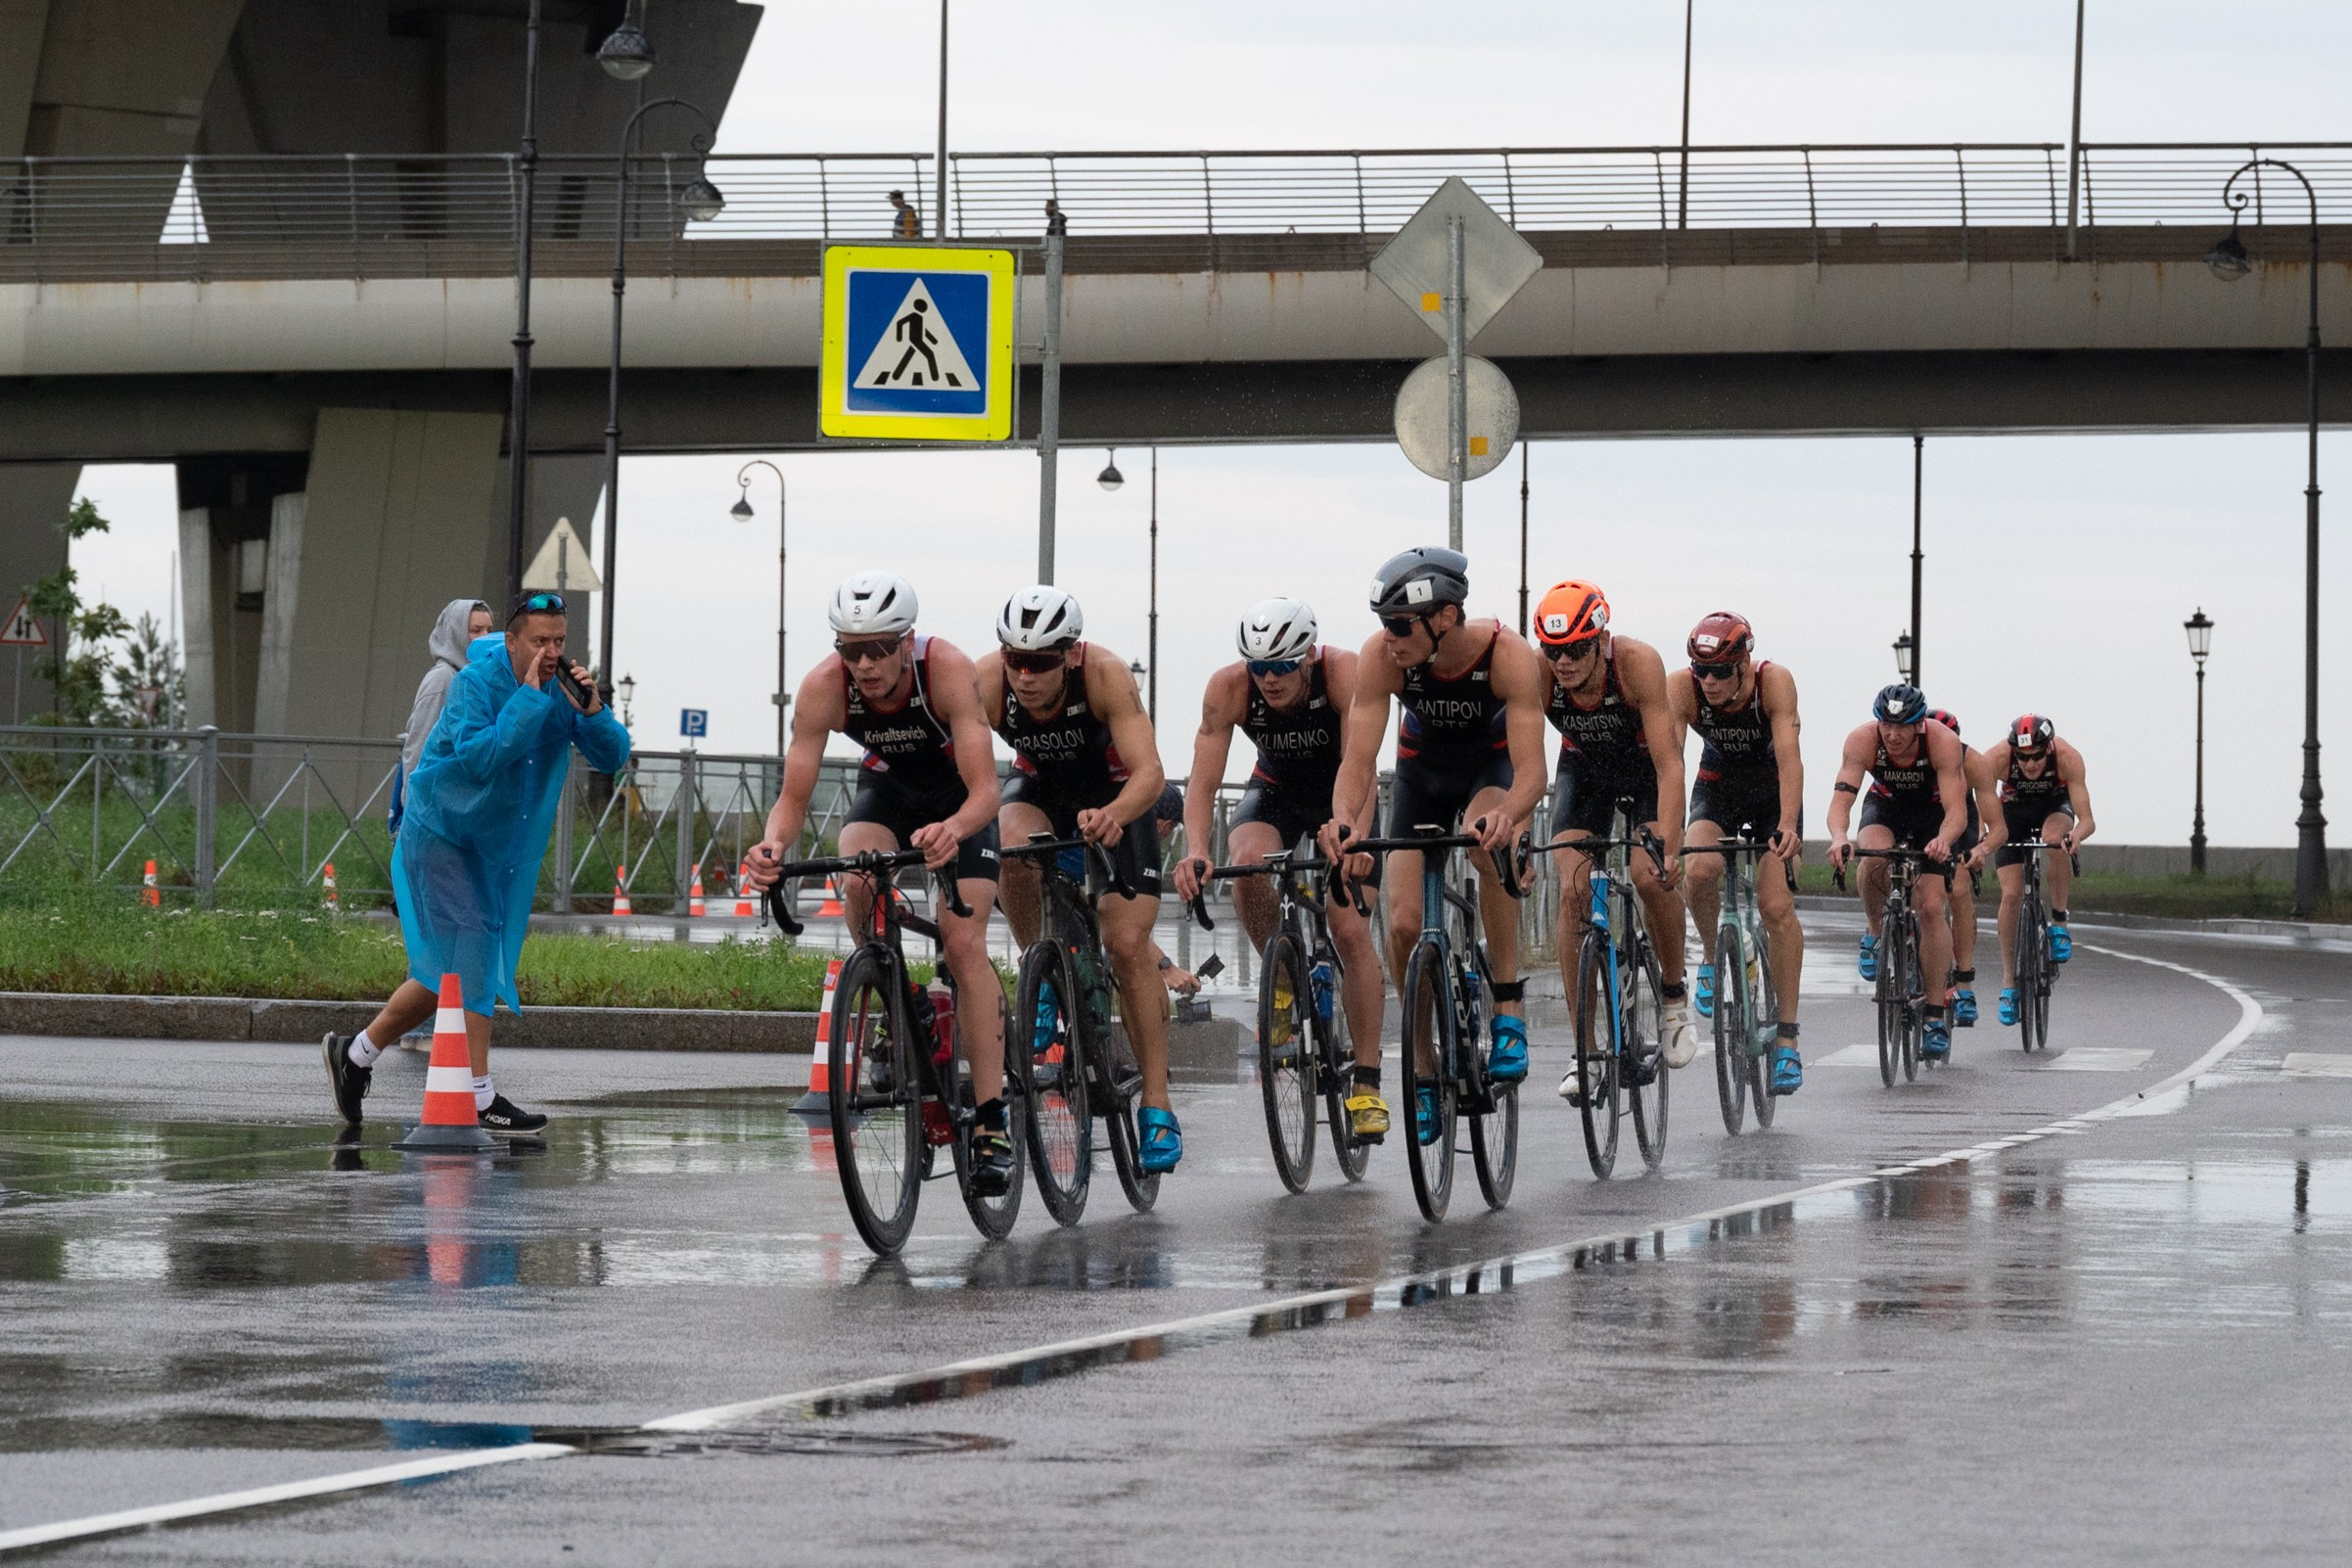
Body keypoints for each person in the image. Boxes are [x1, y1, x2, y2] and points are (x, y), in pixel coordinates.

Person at [743, 573, 1013, 1193]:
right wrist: (772, 846)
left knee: (964, 944)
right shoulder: (822, 688)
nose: (863, 664)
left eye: (878, 649)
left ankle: (993, 1119)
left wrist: (955, 828)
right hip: (888, 790)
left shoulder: (945, 668)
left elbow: (986, 790)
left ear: (906, 643)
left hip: (958, 800)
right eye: (850, 649)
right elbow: (793, 795)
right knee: (858, 877)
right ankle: (902, 997)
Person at [323, 592, 627, 1134]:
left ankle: (355, 1055)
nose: (551, 651)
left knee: (447, 974)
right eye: (539, 641)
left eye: (558, 640)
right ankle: (481, 1096)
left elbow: (613, 757)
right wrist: (531, 698)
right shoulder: (473, 686)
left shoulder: (562, 690)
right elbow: (482, 758)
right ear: (511, 641)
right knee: (477, 949)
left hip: (490, 849)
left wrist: (594, 711)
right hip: (441, 835)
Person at [1319, 547, 1547, 1147]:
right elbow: (1359, 760)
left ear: (1443, 618)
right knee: (1400, 925)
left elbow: (1532, 774)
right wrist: (1345, 821)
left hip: (1487, 774)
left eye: (1398, 625)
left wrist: (1509, 816)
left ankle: (1505, 1003)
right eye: (1381, 623)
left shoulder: (1507, 654)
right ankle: (1422, 1068)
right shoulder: (1382, 658)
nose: (1387, 637)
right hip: (1421, 778)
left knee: (1483, 844)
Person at [978, 586, 1182, 1174]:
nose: (1025, 675)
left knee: (1124, 944)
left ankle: (1158, 1107)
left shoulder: (1105, 675)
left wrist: (1115, 814)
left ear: (1069, 655)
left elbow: (1150, 772)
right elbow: (958, 765)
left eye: (1040, 662)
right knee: (1010, 847)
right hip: (1041, 789)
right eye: (1015, 660)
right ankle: (1041, 972)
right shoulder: (986, 681)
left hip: (1118, 794)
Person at [1173, 598, 1388, 1142]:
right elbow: (1201, 783)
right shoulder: (1230, 688)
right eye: (1259, 667)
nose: (1268, 679)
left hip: (1347, 792)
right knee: (1246, 863)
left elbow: (1361, 763)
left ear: (1309, 657)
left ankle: (1366, 1081)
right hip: (1276, 792)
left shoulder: (1342, 674)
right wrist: (1197, 847)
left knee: (1349, 930)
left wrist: (1353, 835)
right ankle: (1284, 973)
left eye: (1282, 667)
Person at [1529, 579, 1692, 1107]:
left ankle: (1672, 994)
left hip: (1644, 769)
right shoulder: (1539, 675)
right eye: (1555, 652)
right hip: (1585, 771)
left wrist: (1669, 842)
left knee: (1650, 876)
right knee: (1573, 885)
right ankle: (1584, 1049)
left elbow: (1670, 766)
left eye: (1576, 649)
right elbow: (1520, 755)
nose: (1565, 663)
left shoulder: (1637, 664)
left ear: (1601, 640)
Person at [1668, 612, 1807, 1094]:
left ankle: (1787, 1038)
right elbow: (1671, 763)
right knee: (1699, 869)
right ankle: (1711, 955)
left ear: (1744, 663)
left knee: (1773, 905)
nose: (1708, 681)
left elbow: (1789, 757)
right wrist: (1668, 835)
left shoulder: (1774, 682)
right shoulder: (1681, 688)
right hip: (1719, 785)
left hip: (1773, 793)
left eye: (1721, 671)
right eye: (1700, 670)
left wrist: (1789, 823)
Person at [1824, 684, 1969, 1062]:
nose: (1893, 735)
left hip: (1931, 816)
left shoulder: (1942, 742)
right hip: (1885, 807)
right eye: (1886, 725)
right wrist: (1840, 837)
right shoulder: (1862, 740)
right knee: (1872, 858)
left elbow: (1957, 811)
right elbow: (1842, 800)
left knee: (1932, 908)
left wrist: (1943, 839)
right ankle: (1875, 932)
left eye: (1902, 726)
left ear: (1919, 724)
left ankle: (1935, 1015)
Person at [1982, 714, 2097, 1024]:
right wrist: (1983, 836)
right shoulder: (1996, 758)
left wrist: (2076, 836)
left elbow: (2087, 820)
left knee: (2054, 839)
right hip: (2012, 813)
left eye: (2036, 756)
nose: (2030, 764)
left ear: (2048, 749)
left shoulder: (2068, 758)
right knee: (2011, 894)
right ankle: (2009, 983)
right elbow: (1978, 800)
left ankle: (2059, 920)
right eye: (2023, 757)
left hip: (2054, 807)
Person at [1923, 708, 2006, 1029]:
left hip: (1960, 820)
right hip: (1919, 816)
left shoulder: (1973, 763)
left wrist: (1981, 849)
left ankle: (1965, 983)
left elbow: (1997, 826)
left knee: (1957, 887)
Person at [389, 598, 491, 839]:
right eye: (476, 630)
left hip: (458, 814)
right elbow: (417, 749)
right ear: (456, 634)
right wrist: (415, 815)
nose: (485, 637)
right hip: (432, 820)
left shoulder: (477, 680)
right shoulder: (443, 679)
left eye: (489, 629)